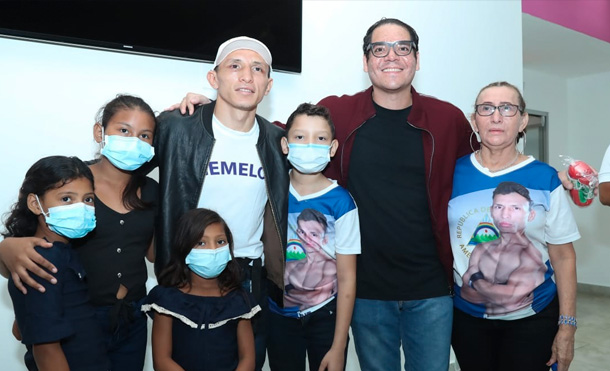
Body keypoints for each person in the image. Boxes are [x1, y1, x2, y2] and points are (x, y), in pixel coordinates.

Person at [170, 18, 474, 370]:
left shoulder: (446, 119)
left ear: (417, 60)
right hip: (366, 290)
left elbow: (485, 168)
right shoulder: (341, 112)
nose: (391, 56)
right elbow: (281, 133)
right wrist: (211, 105)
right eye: (380, 49)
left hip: (431, 289)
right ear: (366, 61)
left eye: (403, 48)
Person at [149, 36, 289, 370]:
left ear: (267, 86)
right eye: (235, 66)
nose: (246, 76)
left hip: (249, 278)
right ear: (214, 79)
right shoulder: (176, 127)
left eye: (257, 69)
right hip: (188, 273)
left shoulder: (276, 140)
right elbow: (120, 179)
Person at [0, 95, 158, 370]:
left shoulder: (154, 191)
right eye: (124, 130)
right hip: (79, 316)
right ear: (100, 131)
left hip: (132, 318)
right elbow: (33, 246)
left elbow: (156, 253)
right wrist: (5, 248)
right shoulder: (73, 183)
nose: (134, 141)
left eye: (144, 135)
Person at [448, 81, 579, 371]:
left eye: (507, 108)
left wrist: (567, 326)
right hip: (467, 321)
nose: (496, 117)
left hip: (534, 320)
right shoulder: (451, 173)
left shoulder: (546, 179)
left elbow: (563, 256)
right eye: (486, 108)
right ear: (474, 120)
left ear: (522, 121)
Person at [267, 103, 360, 371]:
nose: (309, 145)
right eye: (299, 137)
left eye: (320, 138)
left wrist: (338, 345)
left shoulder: (342, 203)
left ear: (332, 148)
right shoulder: (272, 193)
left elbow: (347, 277)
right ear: (285, 145)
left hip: (326, 317)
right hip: (279, 315)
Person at [4, 155, 110, 371]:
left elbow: (22, 329)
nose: (81, 207)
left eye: (88, 199)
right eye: (66, 199)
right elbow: (46, 348)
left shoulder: (64, 251)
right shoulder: (42, 259)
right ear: (35, 204)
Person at [143, 208, 259, 371]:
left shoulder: (239, 299)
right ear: (184, 247)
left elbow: (247, 359)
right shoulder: (168, 299)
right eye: (201, 243)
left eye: (220, 242)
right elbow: (162, 360)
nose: (212, 250)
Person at [460, 182, 547, 316]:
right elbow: (465, 293)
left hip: (522, 322)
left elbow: (508, 299)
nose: (505, 215)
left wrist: (475, 279)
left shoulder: (530, 256)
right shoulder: (481, 248)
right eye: (499, 207)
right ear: (491, 211)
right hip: (481, 322)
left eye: (515, 208)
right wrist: (499, 294)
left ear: (530, 215)